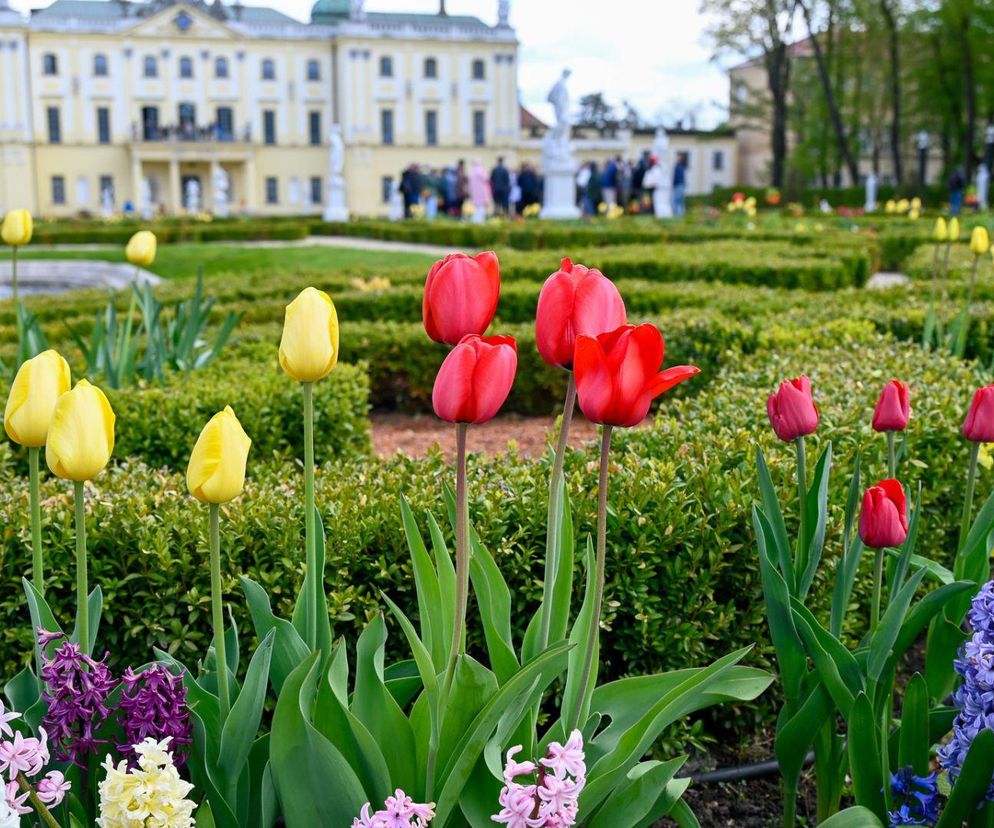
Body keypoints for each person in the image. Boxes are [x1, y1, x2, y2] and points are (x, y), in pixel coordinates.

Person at [469, 159, 491, 223]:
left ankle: (476, 220)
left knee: (477, 207)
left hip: (475, 192)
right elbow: (486, 178)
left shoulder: (472, 171)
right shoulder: (480, 170)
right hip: (481, 191)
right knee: (481, 207)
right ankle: (479, 220)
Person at [671, 152, 688, 218]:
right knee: (680, 201)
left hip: (678, 185)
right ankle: (680, 215)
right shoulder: (681, 167)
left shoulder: (678, 166)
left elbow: (676, 177)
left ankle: (678, 215)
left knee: (677, 201)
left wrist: (673, 184)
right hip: (681, 185)